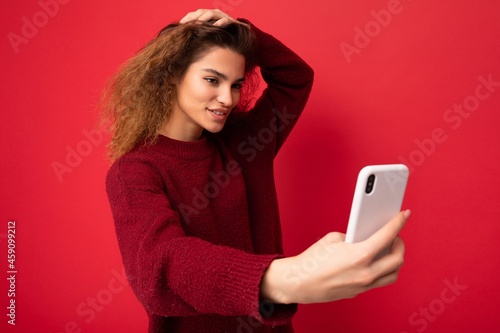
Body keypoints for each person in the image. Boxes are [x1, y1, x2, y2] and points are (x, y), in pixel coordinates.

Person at [102, 9, 410, 333]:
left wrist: (241, 30)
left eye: (236, 84)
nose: (227, 98)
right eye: (212, 79)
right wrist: (286, 277)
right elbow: (159, 265)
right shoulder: (135, 171)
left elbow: (295, 77)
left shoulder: (247, 145)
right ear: (171, 75)